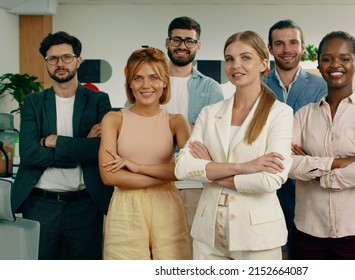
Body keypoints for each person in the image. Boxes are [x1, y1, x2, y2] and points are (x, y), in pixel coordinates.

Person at [175, 31, 293, 260]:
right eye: (229, 59)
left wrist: (211, 169)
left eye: (245, 58)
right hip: (208, 234)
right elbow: (182, 167)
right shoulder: (210, 113)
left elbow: (270, 179)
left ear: (263, 64)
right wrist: (244, 167)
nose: (235, 65)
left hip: (257, 236)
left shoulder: (280, 113)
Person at [11, 31, 114, 260]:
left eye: (67, 57)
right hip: (40, 205)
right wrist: (81, 147)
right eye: (52, 58)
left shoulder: (98, 100)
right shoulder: (33, 102)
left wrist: (53, 141)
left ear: (78, 60)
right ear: (46, 63)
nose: (60, 63)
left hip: (85, 206)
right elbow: (29, 154)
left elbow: (103, 150)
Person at [289, 31, 355, 260]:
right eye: (327, 58)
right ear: (319, 64)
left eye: (344, 58)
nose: (336, 64)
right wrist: (340, 163)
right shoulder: (304, 115)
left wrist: (315, 171)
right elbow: (286, 164)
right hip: (309, 230)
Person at [99, 47, 191, 260]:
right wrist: (165, 174)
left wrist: (137, 167)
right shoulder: (113, 120)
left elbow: (187, 170)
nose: (146, 85)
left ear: (164, 81)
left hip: (167, 207)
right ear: (130, 82)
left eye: (153, 77)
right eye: (138, 78)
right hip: (125, 206)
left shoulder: (176, 122)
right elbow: (109, 176)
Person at [263, 19, 327, 258]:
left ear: (302, 47)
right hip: (267, 177)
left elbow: (321, 134)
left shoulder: (320, 86)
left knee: (302, 248)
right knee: (269, 248)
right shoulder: (258, 85)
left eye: (293, 43)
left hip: (304, 181)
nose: (286, 49)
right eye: (279, 44)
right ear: (270, 49)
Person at [163, 16, 225, 240]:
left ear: (198, 45)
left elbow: (214, 139)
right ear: (167, 42)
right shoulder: (149, 82)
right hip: (155, 181)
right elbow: (133, 126)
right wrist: (188, 130)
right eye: (176, 39)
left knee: (192, 251)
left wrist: (166, 129)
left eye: (189, 41)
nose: (182, 46)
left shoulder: (211, 88)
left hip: (194, 184)